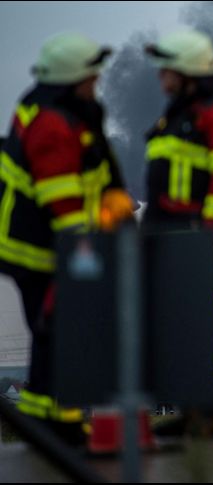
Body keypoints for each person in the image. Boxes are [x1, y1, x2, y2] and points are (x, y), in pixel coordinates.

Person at [0, 32, 132, 445]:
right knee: (56, 327)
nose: (96, 84)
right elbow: (64, 205)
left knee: (57, 332)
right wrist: (86, 256)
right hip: (39, 250)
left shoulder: (70, 112)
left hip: (57, 243)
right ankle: (53, 423)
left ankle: (54, 419)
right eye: (91, 77)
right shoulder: (51, 125)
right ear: (71, 79)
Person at [143, 28, 213, 438]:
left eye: (166, 67)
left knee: (210, 320)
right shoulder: (177, 113)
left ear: (186, 70)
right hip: (170, 235)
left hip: (201, 234)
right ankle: (191, 409)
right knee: (178, 325)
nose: (160, 76)